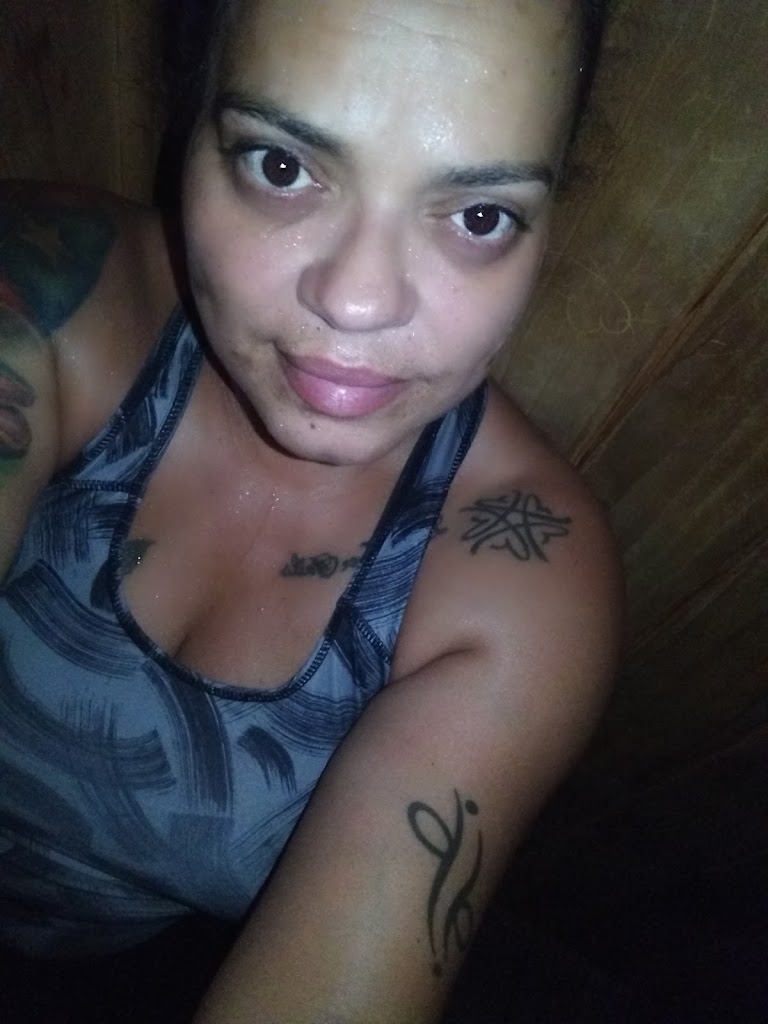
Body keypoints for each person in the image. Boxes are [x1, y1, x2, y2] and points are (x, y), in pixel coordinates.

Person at [0, 0, 623, 1020]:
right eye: (282, 166)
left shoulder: (522, 577)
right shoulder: (45, 294)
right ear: (193, 126)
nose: (358, 301)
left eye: (479, 216)